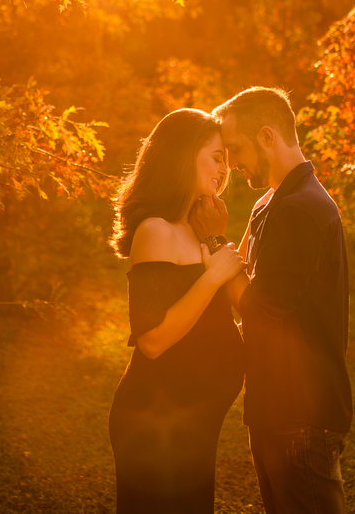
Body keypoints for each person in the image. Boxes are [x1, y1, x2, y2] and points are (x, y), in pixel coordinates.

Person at [191, 87, 352, 514]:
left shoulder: (299, 209)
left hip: (301, 414)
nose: (232, 163)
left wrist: (213, 239)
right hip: (276, 408)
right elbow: (249, 281)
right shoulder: (272, 202)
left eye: (235, 149)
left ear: (267, 136)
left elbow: (258, 307)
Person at [108, 108, 247, 513]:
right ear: (184, 156)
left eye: (226, 159)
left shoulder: (196, 228)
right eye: (216, 157)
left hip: (195, 422)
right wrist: (213, 277)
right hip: (155, 426)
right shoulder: (156, 230)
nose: (226, 168)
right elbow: (152, 340)